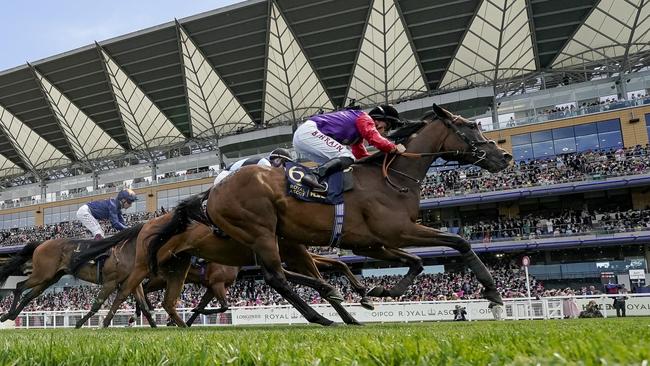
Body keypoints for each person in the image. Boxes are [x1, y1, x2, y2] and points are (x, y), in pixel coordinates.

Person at [292, 105, 406, 190]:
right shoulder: (365, 118)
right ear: (379, 119)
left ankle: (322, 186)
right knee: (346, 156)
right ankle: (314, 176)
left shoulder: (357, 137)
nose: (386, 131)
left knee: (342, 163)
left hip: (302, 139)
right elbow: (373, 137)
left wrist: (382, 160)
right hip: (309, 132)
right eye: (388, 126)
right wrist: (393, 147)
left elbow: (361, 157)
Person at [213, 148, 294, 185]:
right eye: (285, 163)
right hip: (224, 177)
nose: (285, 168)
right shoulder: (265, 164)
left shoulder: (265, 163)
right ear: (278, 160)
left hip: (230, 177)